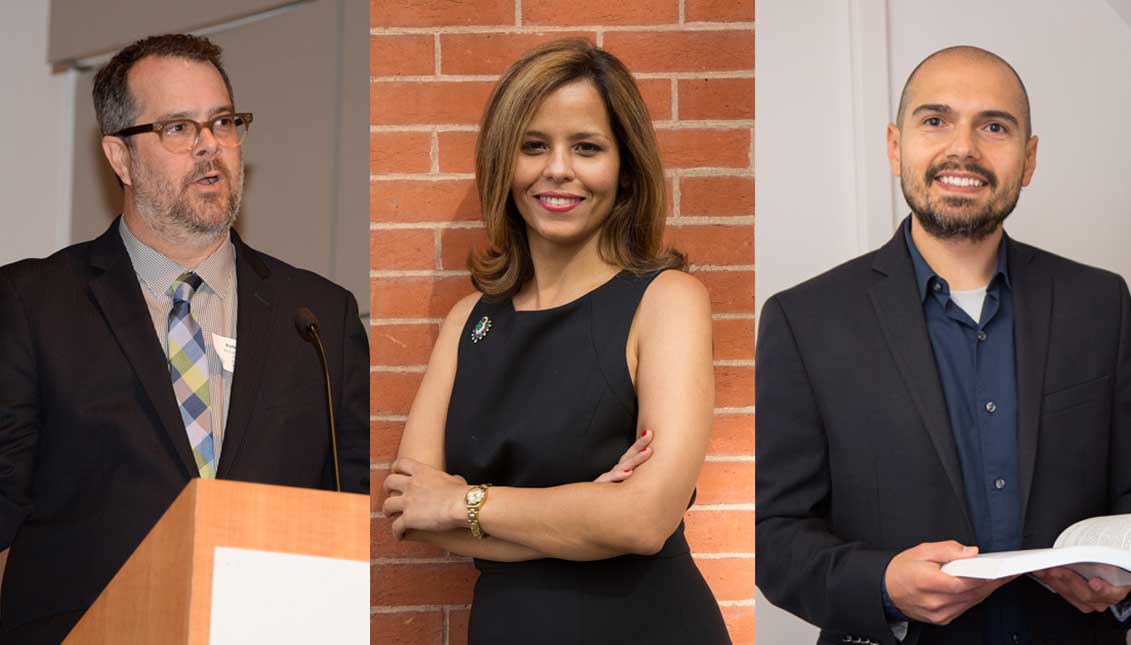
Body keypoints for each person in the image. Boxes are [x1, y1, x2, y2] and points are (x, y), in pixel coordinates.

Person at [756, 45, 1131, 644]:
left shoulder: (1103, 304)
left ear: (1028, 159)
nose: (964, 148)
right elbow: (773, 534)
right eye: (935, 121)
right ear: (893, 146)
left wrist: (1124, 585)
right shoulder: (803, 320)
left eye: (994, 126)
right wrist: (881, 584)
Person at [0, 34, 368, 643]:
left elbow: (357, 514)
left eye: (223, 122)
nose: (209, 146)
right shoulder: (30, 305)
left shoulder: (321, 317)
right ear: (120, 158)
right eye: (177, 128)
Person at [380, 39, 731, 644]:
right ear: (502, 164)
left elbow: (645, 521)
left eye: (587, 147)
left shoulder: (667, 300)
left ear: (624, 169)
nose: (558, 169)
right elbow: (413, 509)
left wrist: (466, 503)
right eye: (533, 145)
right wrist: (587, 514)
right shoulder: (469, 321)